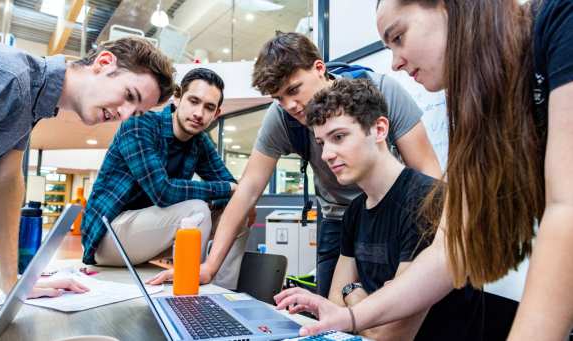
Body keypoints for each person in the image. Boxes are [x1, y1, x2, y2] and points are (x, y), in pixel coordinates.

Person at [274, 0, 573, 339]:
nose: (395, 62)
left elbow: (567, 208)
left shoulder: (560, 20)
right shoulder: (482, 107)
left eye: (398, 37)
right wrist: (349, 318)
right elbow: (449, 250)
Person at [149, 32, 442, 296]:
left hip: (396, 214)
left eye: (293, 90)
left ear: (319, 68)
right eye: (278, 98)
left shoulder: (382, 91)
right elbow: (249, 189)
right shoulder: (282, 119)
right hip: (339, 218)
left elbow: (428, 174)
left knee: (402, 303)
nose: (289, 105)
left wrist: (441, 245)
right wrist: (210, 266)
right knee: (331, 309)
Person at [0, 37, 174, 298]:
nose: (124, 115)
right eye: (128, 95)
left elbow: (7, 180)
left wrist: (12, 283)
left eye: (134, 112)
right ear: (104, 62)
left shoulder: (29, 102)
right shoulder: (8, 77)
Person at [310, 78, 482, 341]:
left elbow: (390, 334)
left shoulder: (427, 200)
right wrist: (353, 299)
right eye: (322, 143)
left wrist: (352, 292)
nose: (326, 155)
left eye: (339, 137)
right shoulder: (355, 210)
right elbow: (335, 307)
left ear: (379, 129)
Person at [81, 68, 249, 290]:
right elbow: (163, 191)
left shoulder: (200, 142)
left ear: (216, 114)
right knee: (197, 210)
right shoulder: (140, 124)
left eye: (209, 107)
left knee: (240, 210)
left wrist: (233, 199)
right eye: (193, 101)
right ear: (177, 98)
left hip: (149, 235)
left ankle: (223, 291)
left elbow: (234, 193)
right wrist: (226, 190)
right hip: (107, 236)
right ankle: (191, 285)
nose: (199, 113)